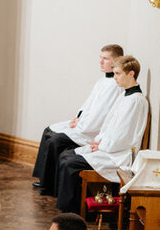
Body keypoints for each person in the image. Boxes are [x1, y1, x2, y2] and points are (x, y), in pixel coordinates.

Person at [54, 55, 148, 213]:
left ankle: (72, 211)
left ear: (131, 74)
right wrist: (99, 141)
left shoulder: (136, 101)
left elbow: (124, 136)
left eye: (118, 73)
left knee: (70, 163)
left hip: (118, 154)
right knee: (65, 155)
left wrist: (102, 145)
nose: (115, 77)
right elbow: (108, 125)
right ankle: (66, 205)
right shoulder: (124, 95)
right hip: (108, 147)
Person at [33, 44, 124, 194]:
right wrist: (78, 117)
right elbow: (88, 103)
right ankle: (44, 179)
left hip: (91, 131)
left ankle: (51, 187)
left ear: (116, 60)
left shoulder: (115, 86)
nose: (101, 62)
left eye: (105, 59)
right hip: (84, 123)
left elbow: (100, 115)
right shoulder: (103, 80)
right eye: (100, 58)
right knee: (48, 131)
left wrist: (80, 124)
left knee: (56, 141)